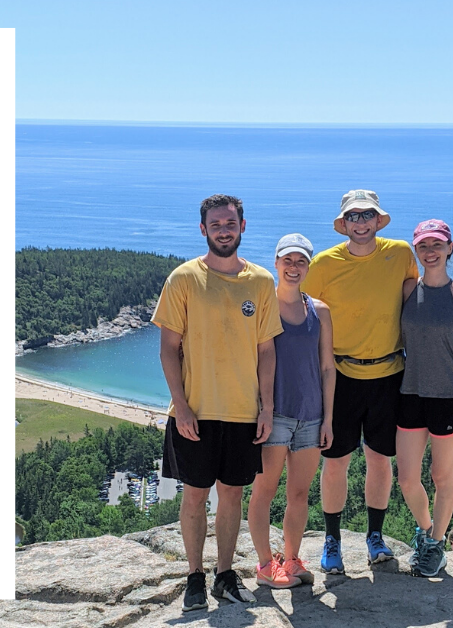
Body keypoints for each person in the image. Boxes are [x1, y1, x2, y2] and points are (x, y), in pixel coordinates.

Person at [152, 194, 282, 611]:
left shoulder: (261, 281)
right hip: (196, 412)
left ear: (243, 226)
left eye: (230, 223)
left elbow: (266, 351)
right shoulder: (183, 279)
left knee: (232, 496)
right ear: (203, 229)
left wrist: (267, 407)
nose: (223, 230)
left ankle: (225, 574)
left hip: (243, 411)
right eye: (215, 224)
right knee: (194, 495)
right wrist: (181, 405)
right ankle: (194, 576)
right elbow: (168, 348)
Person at [301, 189, 419, 574]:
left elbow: (416, 297)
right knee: (334, 462)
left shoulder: (400, 253)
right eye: (354, 216)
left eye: (368, 215)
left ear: (378, 219)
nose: (361, 222)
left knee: (380, 460)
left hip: (390, 374)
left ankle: (375, 537)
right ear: (344, 224)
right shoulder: (323, 263)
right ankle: (332, 539)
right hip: (340, 375)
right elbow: (301, 312)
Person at [247, 234, 336, 589]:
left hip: (311, 416)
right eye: (288, 260)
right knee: (264, 491)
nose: (294, 267)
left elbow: (327, 367)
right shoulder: (261, 305)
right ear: (276, 263)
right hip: (275, 414)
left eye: (301, 261)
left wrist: (329, 418)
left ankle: (292, 558)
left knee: (299, 495)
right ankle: (266, 564)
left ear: (308, 266)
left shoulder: (320, 311)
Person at [395, 219, 453, 578]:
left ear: (449, 248)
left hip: (449, 395)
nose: (429, 252)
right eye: (423, 246)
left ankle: (435, 544)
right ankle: (429, 532)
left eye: (436, 245)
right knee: (407, 479)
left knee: (442, 476)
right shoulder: (406, 289)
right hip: (410, 391)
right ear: (416, 250)